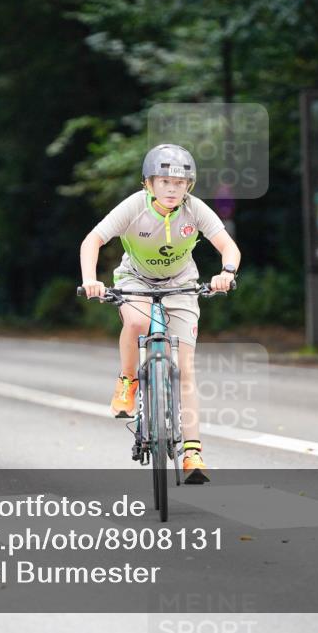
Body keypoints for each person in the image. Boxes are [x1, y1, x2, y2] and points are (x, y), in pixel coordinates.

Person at [79, 144, 241, 485]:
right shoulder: (134, 207)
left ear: (189, 187)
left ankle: (192, 453)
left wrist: (226, 272)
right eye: (164, 181)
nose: (172, 188)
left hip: (181, 283)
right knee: (136, 321)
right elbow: (92, 240)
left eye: (180, 183)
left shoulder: (194, 210)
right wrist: (90, 280)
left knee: (184, 368)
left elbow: (229, 247)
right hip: (135, 279)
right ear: (148, 184)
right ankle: (128, 382)